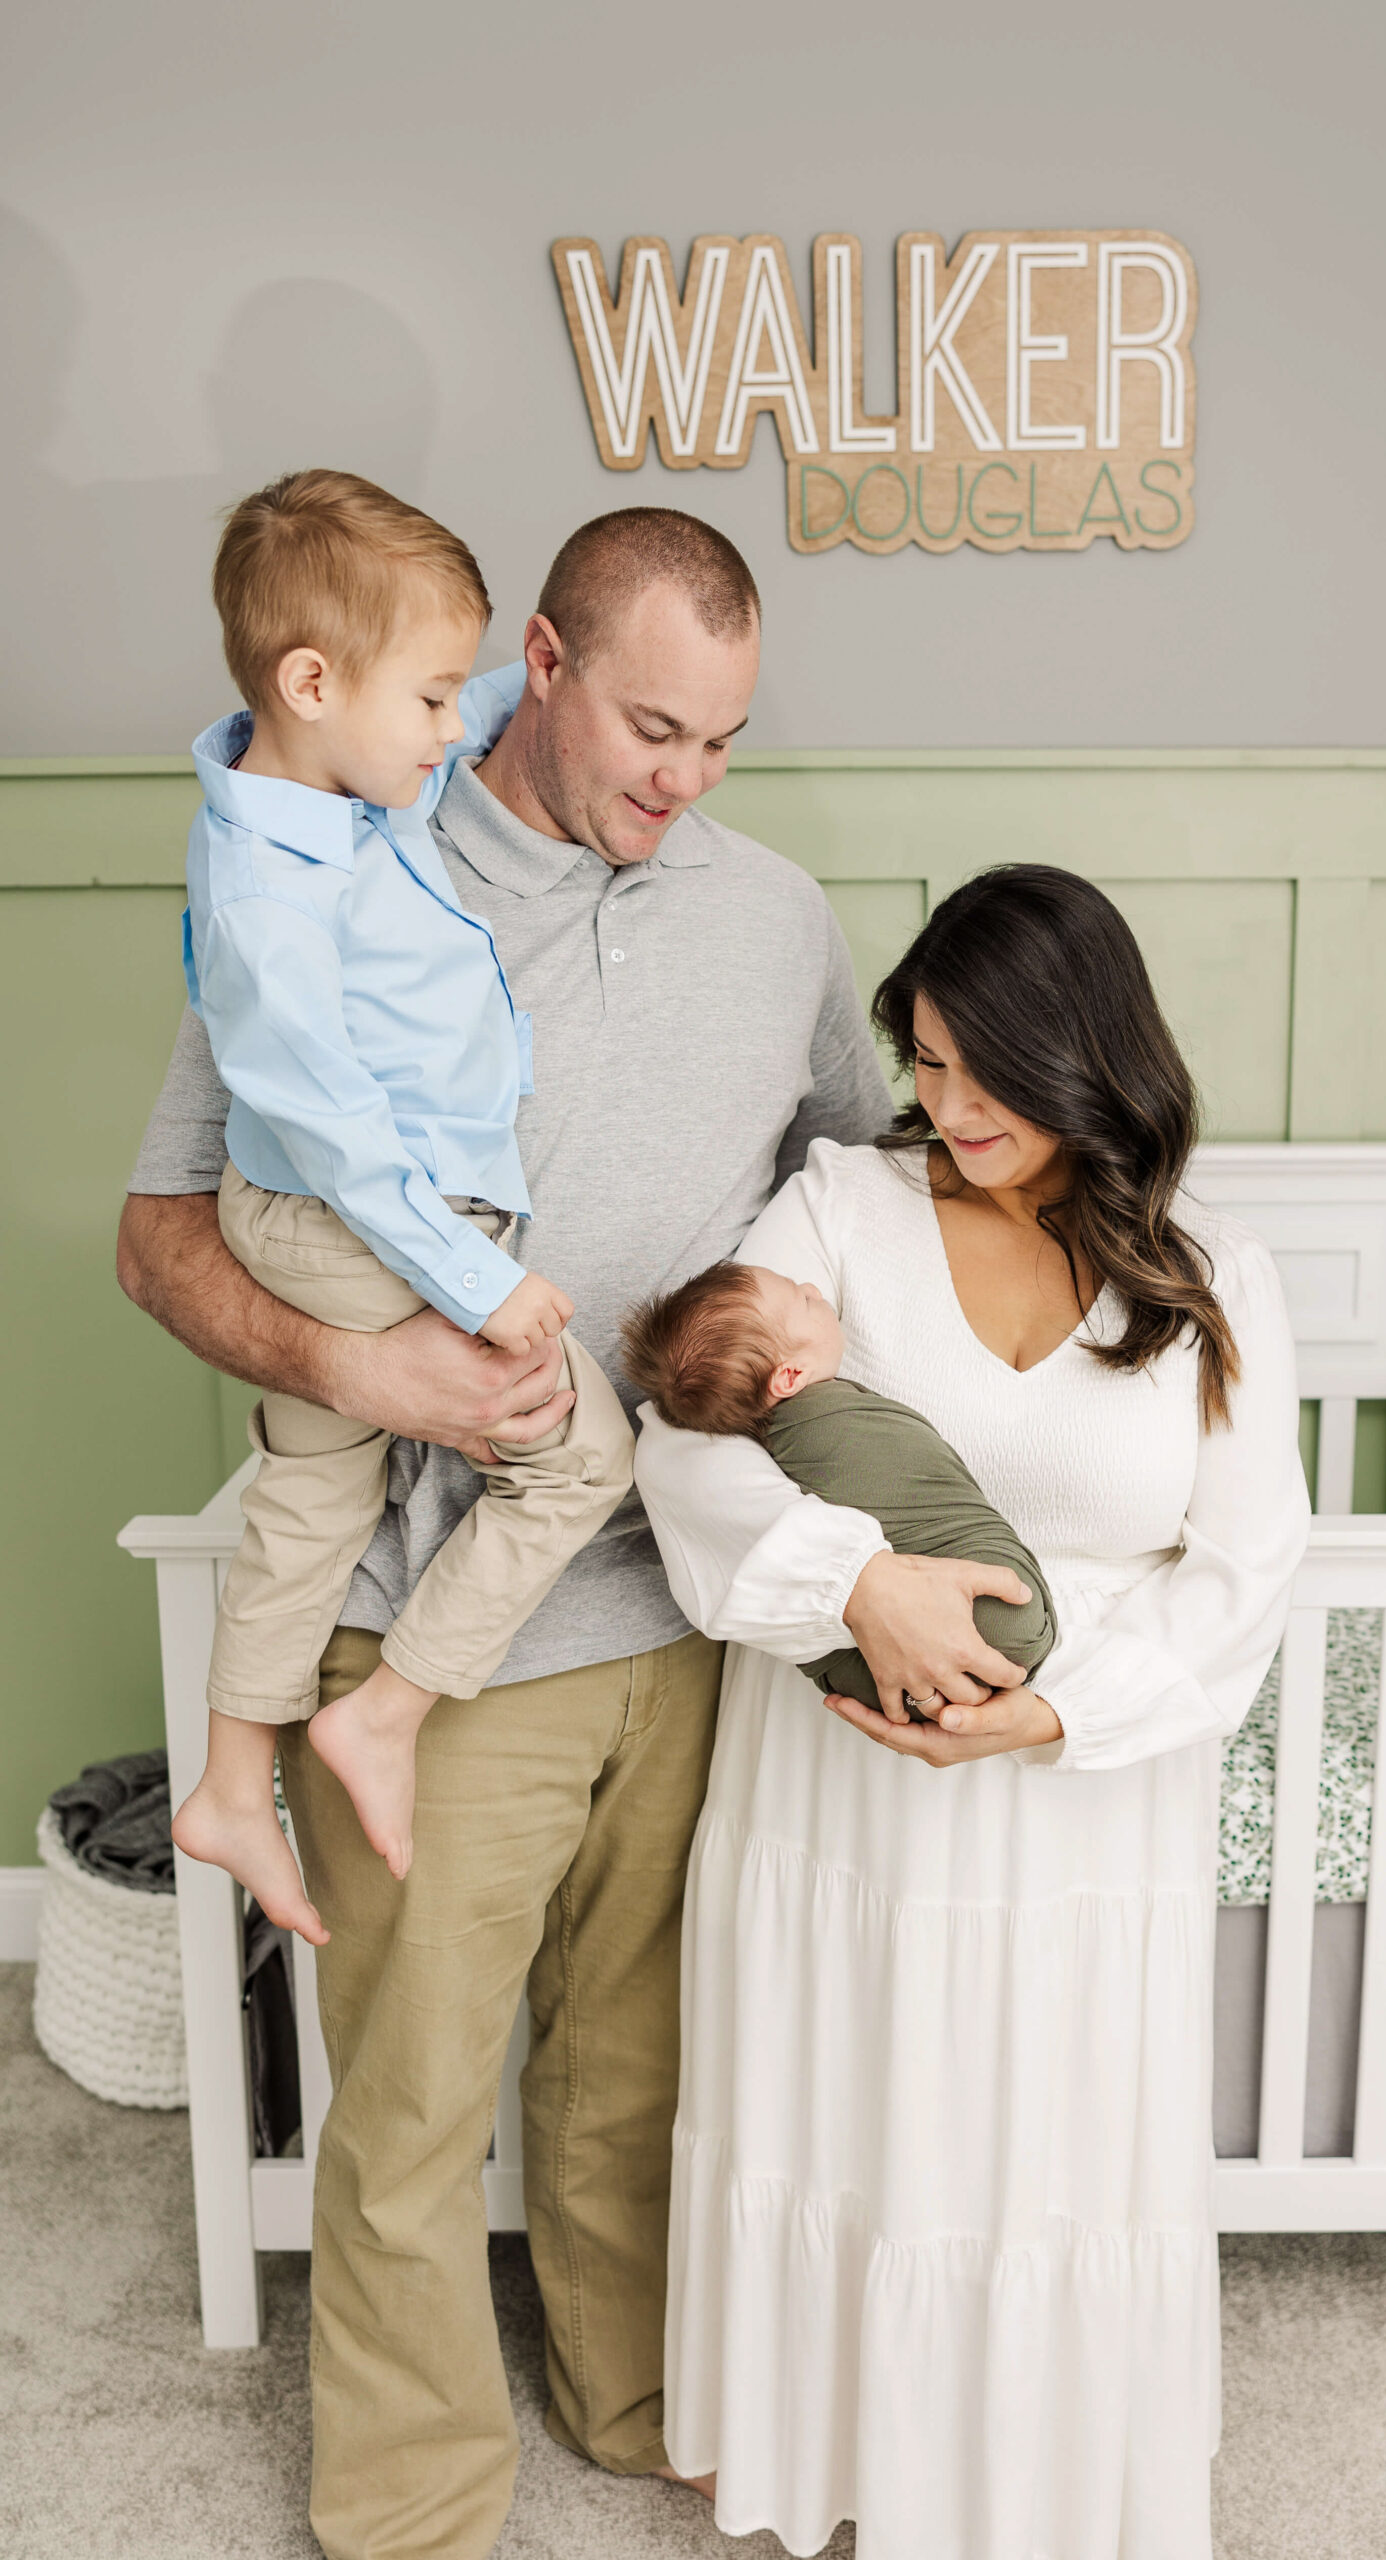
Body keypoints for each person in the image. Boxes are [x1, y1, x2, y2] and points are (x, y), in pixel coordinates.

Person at [117, 506, 894, 2559]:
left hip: (687, 1605)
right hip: (430, 1627)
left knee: (638, 2075)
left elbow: (852, 1201)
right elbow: (165, 1229)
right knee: (407, 2111)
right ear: (538, 663)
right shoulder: (358, 850)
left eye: (721, 741)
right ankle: (412, 2509)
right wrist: (362, 1373)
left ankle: (628, 2398)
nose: (681, 778)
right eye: (651, 723)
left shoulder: (777, 916)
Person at [634, 864, 1314, 2560]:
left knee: (1048, 2145)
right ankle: (830, 2444)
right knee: (843, 2108)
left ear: (1084, 1053)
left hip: (1081, 1796)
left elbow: (1247, 1565)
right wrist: (850, 1587)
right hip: (841, 1780)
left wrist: (1053, 1717)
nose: (947, 1109)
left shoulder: (1209, 1265)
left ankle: (1033, 2478)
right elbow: (682, 1443)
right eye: (923, 1063)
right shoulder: (840, 1209)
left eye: (982, 1070)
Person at [170, 470, 633, 1939]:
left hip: (332, 1205)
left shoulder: (333, 772)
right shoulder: (268, 899)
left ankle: (232, 1780)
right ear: (313, 682)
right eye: (433, 702)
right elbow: (338, 1133)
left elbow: (469, 703)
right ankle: (387, 1714)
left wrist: (534, 680)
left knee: (310, 1494)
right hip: (350, 1214)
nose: (455, 733)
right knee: (573, 1459)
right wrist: (475, 1280)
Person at [620, 1255, 1057, 1712]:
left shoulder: (766, 1434)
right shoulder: (819, 1424)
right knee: (1006, 1618)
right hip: (993, 1616)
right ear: (790, 1376)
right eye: (804, 1299)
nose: (814, 1287)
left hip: (881, 1681)